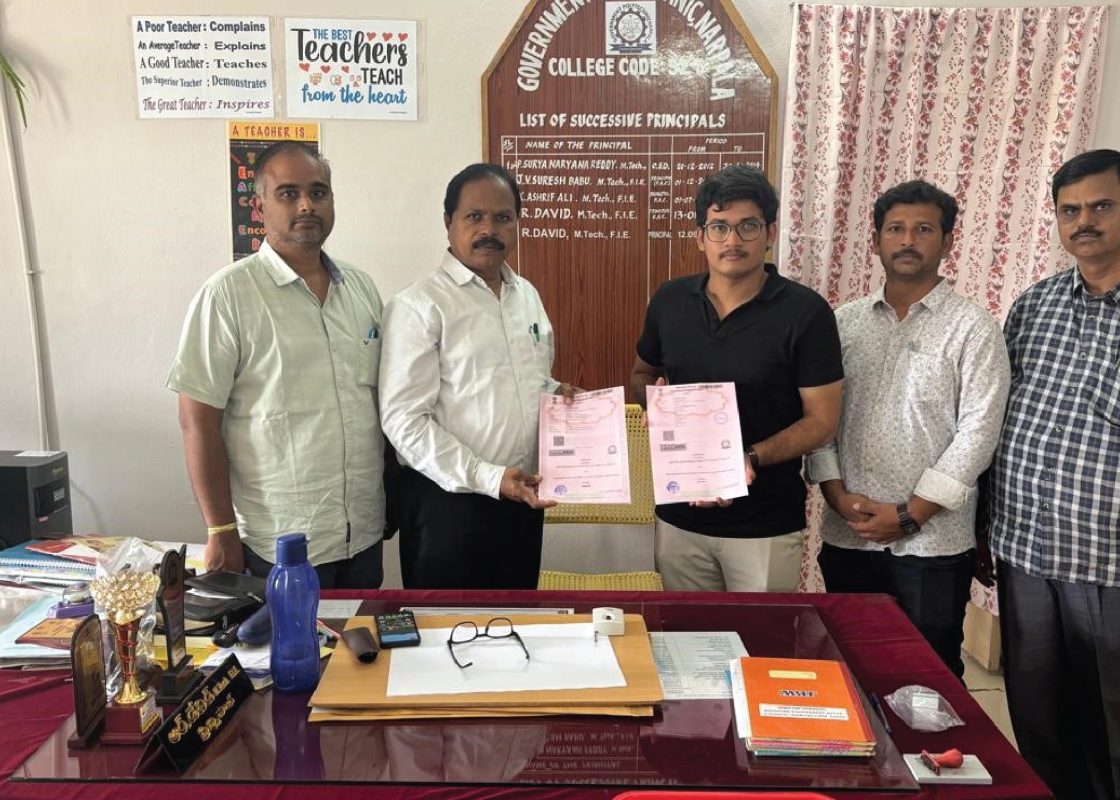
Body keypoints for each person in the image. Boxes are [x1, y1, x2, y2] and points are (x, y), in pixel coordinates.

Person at [806, 180, 1010, 679]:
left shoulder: (974, 328)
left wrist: (911, 515)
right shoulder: (843, 323)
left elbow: (979, 432)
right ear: (876, 240)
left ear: (947, 241)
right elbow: (821, 420)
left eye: (923, 229)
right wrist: (835, 494)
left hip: (932, 545)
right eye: (895, 229)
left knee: (927, 676)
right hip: (849, 534)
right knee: (850, 667)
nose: (907, 241)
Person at [168, 141, 388, 588]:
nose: (306, 205)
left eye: (318, 192)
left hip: (362, 534)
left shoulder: (362, 290)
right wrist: (220, 529)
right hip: (279, 545)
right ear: (260, 207)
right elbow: (198, 420)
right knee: (285, 638)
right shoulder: (227, 296)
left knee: (360, 635)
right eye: (288, 193)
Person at [630, 164, 843, 592]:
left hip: (765, 523)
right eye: (719, 227)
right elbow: (642, 372)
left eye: (748, 226)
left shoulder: (806, 313)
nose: (732, 241)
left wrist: (747, 457)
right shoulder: (669, 301)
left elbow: (822, 421)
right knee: (685, 631)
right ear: (700, 237)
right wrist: (656, 403)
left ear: (770, 233)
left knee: (759, 633)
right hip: (679, 514)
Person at [988, 148, 1120, 800]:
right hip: (1024, 550)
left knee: (1109, 731)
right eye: (1070, 211)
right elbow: (997, 416)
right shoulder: (1034, 305)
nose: (1083, 222)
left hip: (1108, 561)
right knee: (1037, 718)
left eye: (1102, 206)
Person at [379, 163, 575, 589]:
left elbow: (530, 379)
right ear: (448, 222)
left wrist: (556, 392)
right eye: (474, 216)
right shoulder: (419, 306)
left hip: (522, 500)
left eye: (503, 217)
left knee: (516, 623)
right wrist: (489, 477)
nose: (489, 229)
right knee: (448, 626)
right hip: (449, 506)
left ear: (517, 223)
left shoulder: (526, 295)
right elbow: (404, 421)